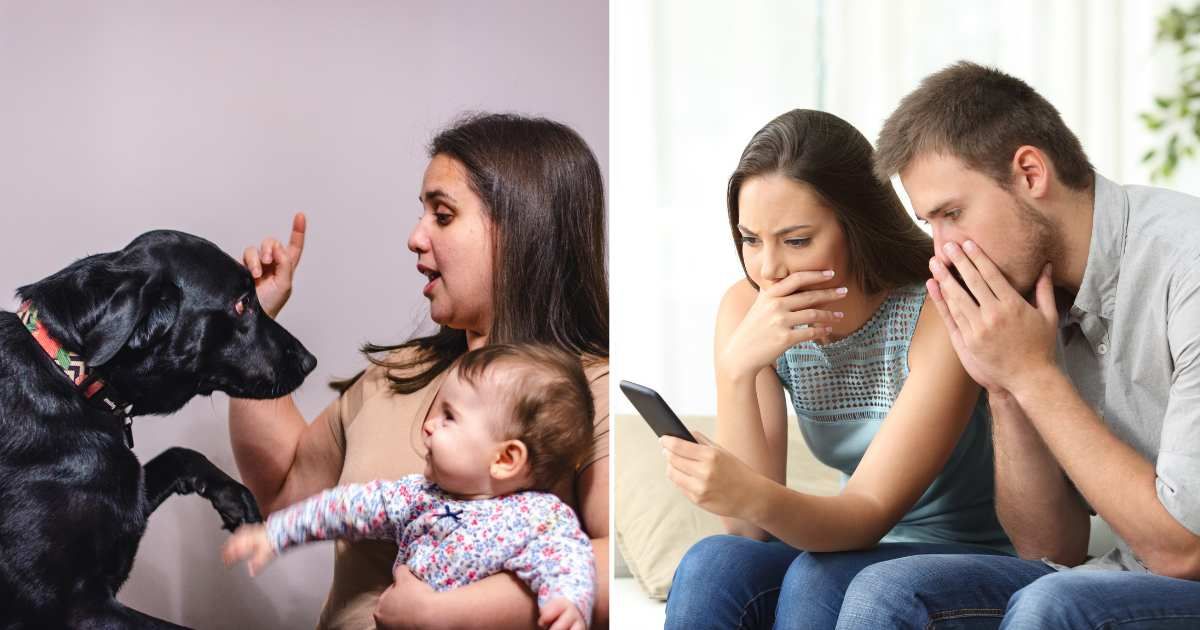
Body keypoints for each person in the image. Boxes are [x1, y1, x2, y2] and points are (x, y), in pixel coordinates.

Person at [832, 60, 1200, 629]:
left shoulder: (1186, 266)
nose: (943, 250)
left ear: (1030, 173)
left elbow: (1184, 551)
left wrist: (1033, 375)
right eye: (931, 224)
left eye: (953, 214)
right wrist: (1003, 387)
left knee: (1055, 604)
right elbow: (1049, 547)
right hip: (1126, 576)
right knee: (889, 590)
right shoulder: (1029, 295)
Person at [228, 113, 610, 629]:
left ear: (522, 230)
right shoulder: (395, 375)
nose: (414, 237)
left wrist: (444, 615)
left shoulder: (591, 390)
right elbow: (283, 493)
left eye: (443, 215)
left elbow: (608, 563)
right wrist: (252, 326)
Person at [662, 109, 1011, 630]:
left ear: (855, 227)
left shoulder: (937, 307)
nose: (768, 269)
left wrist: (748, 492)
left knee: (819, 577)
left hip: (964, 556)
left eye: (797, 240)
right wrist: (737, 371)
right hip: (850, 547)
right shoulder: (748, 309)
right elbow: (747, 530)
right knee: (713, 563)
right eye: (751, 239)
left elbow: (867, 512)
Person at [223, 344, 596, 630]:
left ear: (505, 458)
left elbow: (568, 559)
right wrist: (276, 533)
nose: (429, 424)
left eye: (449, 417)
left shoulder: (539, 519)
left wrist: (567, 602)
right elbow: (342, 508)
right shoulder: (414, 496)